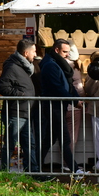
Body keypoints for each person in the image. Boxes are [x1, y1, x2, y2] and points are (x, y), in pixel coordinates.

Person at [38, 39, 84, 175]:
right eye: (64, 52)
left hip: (57, 106)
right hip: (54, 107)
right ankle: (74, 169)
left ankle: (33, 166)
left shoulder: (56, 63)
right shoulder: (50, 65)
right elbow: (58, 88)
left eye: (68, 52)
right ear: (56, 50)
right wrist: (75, 101)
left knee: (49, 140)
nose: (67, 55)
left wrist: (76, 99)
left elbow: (67, 85)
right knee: (64, 139)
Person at [0, 39, 40, 175]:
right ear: (26, 53)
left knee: (29, 144)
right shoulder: (12, 67)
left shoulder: (25, 67)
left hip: (24, 112)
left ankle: (33, 172)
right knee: (10, 144)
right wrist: (20, 94)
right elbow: (1, 86)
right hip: (15, 113)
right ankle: (4, 172)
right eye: (34, 51)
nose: (35, 54)